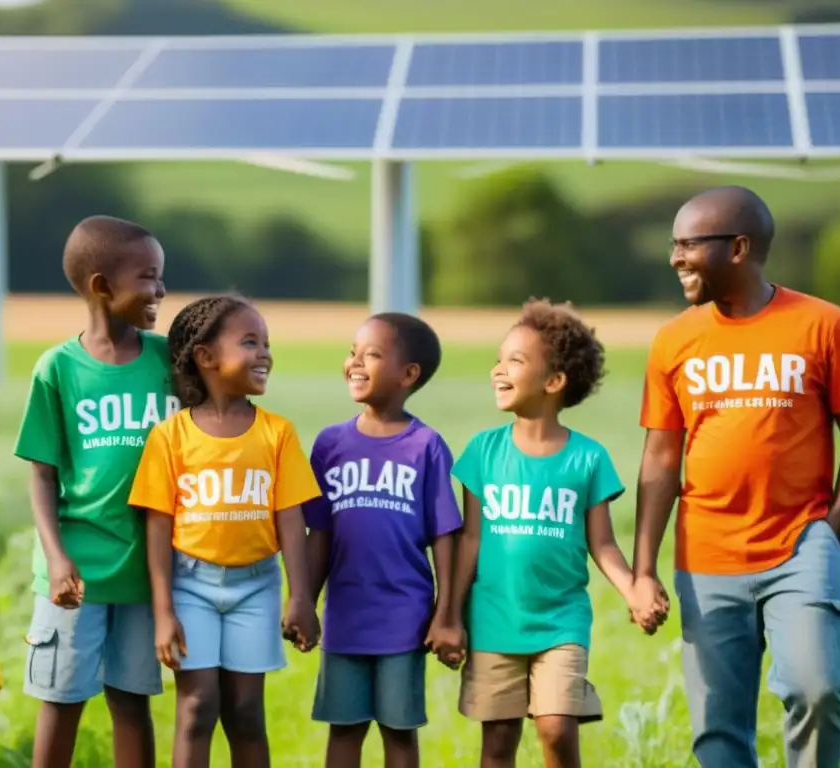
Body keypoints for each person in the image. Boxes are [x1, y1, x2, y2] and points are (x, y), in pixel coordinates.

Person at [631, 185, 840, 768]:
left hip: (801, 544)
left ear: (738, 248)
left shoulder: (824, 325)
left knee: (820, 688)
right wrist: (642, 569)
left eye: (688, 245)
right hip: (705, 553)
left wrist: (832, 529)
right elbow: (660, 458)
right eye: (673, 244)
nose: (675, 258)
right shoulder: (674, 339)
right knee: (717, 730)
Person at [429, 299, 663, 768]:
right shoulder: (483, 452)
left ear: (554, 382)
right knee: (497, 741)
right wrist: (448, 614)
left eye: (514, 361)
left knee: (557, 729)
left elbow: (602, 543)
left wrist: (634, 589)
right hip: (494, 619)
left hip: (561, 621)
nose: (498, 369)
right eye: (499, 358)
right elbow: (469, 541)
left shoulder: (588, 458)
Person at [128, 294, 321, 768]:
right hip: (190, 585)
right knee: (196, 708)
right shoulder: (170, 436)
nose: (265, 354)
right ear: (206, 357)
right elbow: (158, 524)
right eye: (250, 342)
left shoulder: (277, 433)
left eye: (267, 343)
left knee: (246, 713)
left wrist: (300, 597)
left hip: (256, 587)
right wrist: (163, 609)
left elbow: (291, 519)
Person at [14, 215, 174, 768]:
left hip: (145, 572)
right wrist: (57, 559)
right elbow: (42, 472)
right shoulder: (58, 368)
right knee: (61, 699)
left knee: (133, 700)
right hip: (76, 573)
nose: (160, 290)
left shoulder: (169, 362)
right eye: (149, 277)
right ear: (102, 286)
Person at [303, 312, 463, 768]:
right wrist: (304, 602)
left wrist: (446, 613)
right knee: (344, 728)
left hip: (404, 617)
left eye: (371, 355)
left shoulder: (426, 445)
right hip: (345, 615)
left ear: (408, 374)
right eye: (352, 352)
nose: (354, 362)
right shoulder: (330, 444)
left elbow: (445, 535)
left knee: (398, 731)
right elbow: (319, 532)